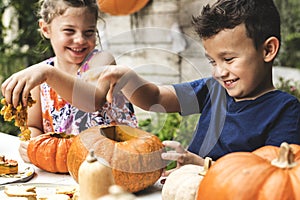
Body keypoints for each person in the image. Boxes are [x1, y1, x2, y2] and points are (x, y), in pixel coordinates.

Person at [86, 0, 300, 174]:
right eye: (212, 62)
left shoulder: (285, 110)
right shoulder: (213, 90)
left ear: (268, 50)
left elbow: (273, 177)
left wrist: (202, 166)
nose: (219, 72)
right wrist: (128, 78)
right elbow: (157, 98)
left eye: (228, 59)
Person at [1, 0, 137, 162]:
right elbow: (34, 126)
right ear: (46, 29)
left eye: (89, 32)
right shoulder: (41, 76)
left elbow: (93, 100)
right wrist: (31, 145)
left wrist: (48, 74)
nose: (80, 39)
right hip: (66, 168)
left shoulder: (101, 61)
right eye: (69, 31)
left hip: (115, 162)